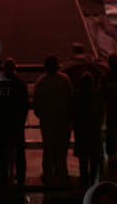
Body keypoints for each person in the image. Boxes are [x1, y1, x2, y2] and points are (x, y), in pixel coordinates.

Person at [33, 55, 73, 187]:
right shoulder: (65, 80)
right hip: (62, 121)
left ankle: (48, 175)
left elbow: (37, 105)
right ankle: (62, 174)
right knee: (61, 150)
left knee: (48, 149)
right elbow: (70, 100)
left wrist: (43, 116)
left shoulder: (41, 82)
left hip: (48, 121)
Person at [0, 58, 29, 187]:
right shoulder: (20, 83)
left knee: (2, 152)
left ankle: (3, 176)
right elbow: (24, 104)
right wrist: (21, 120)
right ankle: (21, 177)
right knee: (20, 151)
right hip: (17, 122)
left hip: (3, 122)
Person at [73, 70, 104, 187]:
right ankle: (95, 183)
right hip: (94, 131)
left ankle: (84, 183)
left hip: (81, 131)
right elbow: (101, 113)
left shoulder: (77, 96)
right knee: (95, 160)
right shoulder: (97, 96)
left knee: (83, 160)